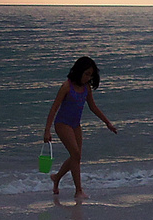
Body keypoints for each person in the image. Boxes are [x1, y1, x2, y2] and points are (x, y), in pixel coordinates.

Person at [43, 55, 117, 199]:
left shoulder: (86, 88)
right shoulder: (66, 86)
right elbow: (54, 108)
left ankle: (57, 178)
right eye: (86, 74)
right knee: (76, 154)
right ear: (79, 71)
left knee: (76, 156)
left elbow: (93, 107)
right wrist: (47, 131)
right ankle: (78, 191)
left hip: (76, 125)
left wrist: (107, 123)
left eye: (91, 75)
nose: (88, 78)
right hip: (62, 124)